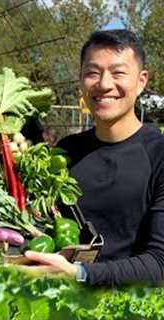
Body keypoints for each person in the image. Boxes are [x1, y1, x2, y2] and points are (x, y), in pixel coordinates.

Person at [23, 29, 164, 286]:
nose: (104, 84)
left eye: (118, 72)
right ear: (81, 79)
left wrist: (81, 275)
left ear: (142, 81)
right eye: (92, 72)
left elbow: (160, 264)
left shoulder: (159, 155)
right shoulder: (65, 152)